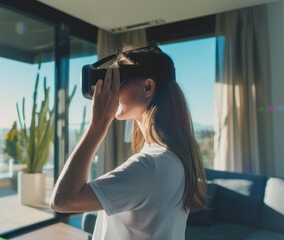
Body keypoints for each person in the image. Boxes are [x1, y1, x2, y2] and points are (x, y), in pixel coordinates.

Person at [49, 41, 207, 240]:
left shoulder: (150, 166)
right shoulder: (173, 157)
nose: (112, 90)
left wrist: (98, 125)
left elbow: (63, 200)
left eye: (119, 79)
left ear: (148, 87)